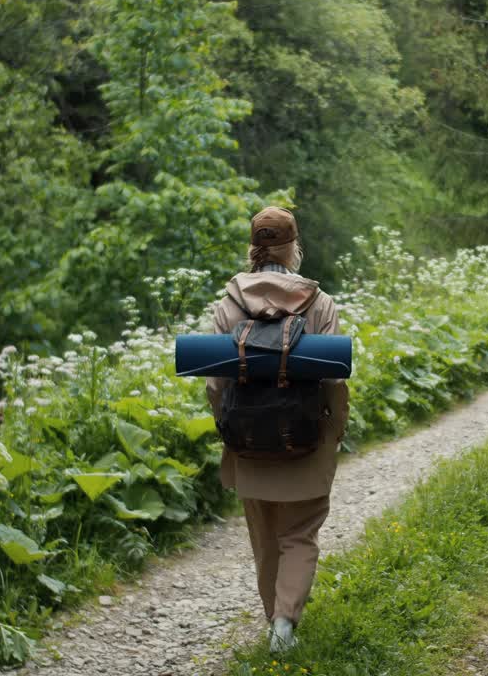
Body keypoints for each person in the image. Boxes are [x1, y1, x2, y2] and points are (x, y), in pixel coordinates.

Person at [205, 206, 350, 653]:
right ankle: (284, 624)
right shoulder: (318, 303)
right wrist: (335, 432)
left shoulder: (227, 304)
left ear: (253, 248)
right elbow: (335, 383)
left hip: (247, 446)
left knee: (265, 541)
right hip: (306, 444)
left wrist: (227, 430)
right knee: (299, 535)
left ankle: (275, 621)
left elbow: (215, 385)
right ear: (293, 250)